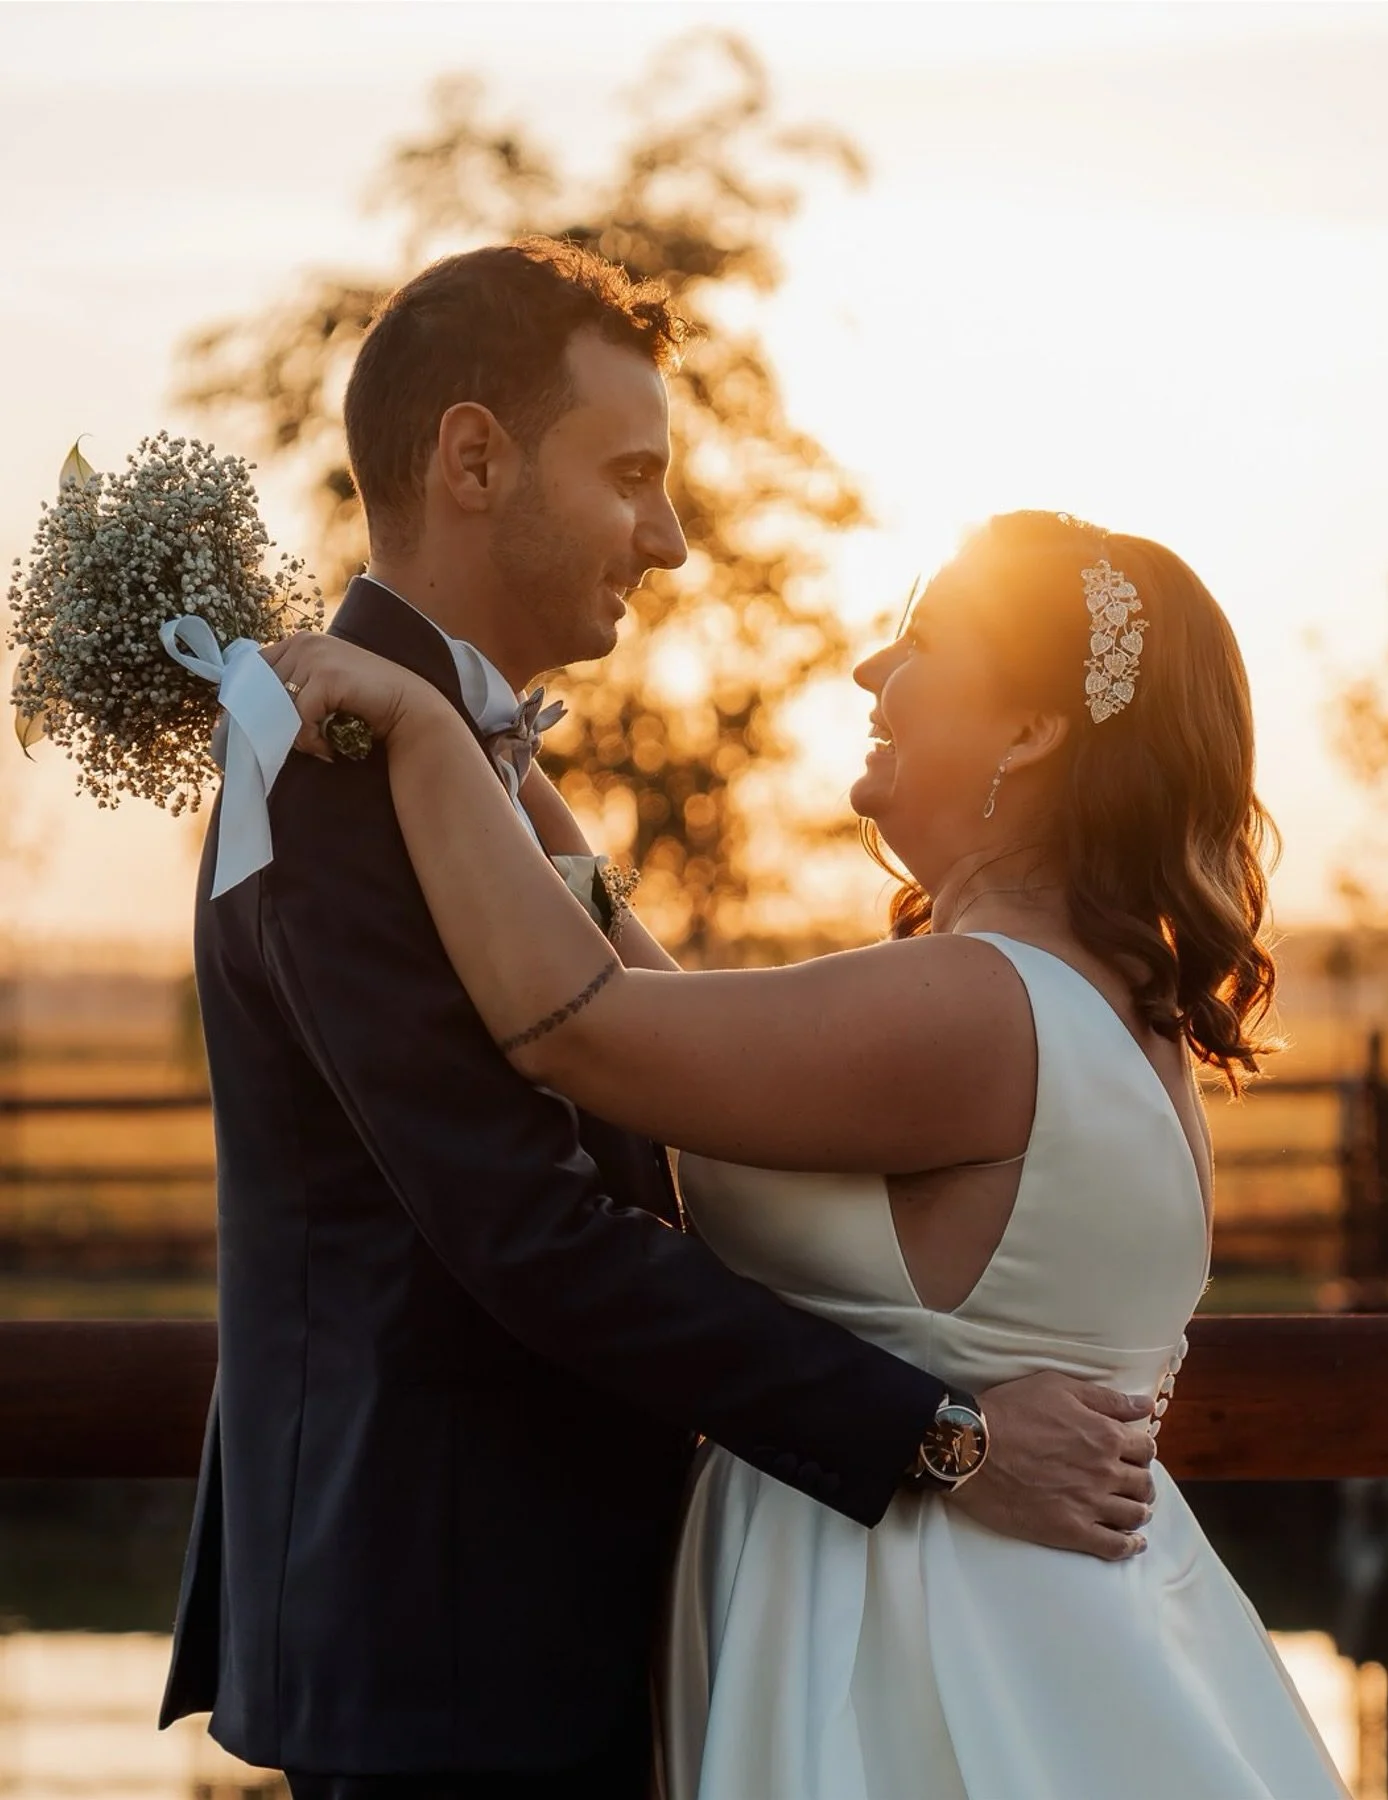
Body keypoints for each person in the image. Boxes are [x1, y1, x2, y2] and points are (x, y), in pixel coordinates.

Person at [159, 242, 1156, 1800]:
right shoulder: (333, 764)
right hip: (447, 1640)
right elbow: (528, 1233)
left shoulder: (457, 763)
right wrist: (943, 1438)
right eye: (632, 475)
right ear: (474, 459)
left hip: (559, 1615)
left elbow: (657, 1064)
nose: (672, 538)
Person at [268, 505, 1352, 1798]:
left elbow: (585, 1029)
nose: (870, 668)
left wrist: (425, 731)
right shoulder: (1103, 1006)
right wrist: (517, 774)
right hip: (1038, 1618)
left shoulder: (977, 1005)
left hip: (916, 1648)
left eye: (922, 643)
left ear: (1029, 731)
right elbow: (668, 1018)